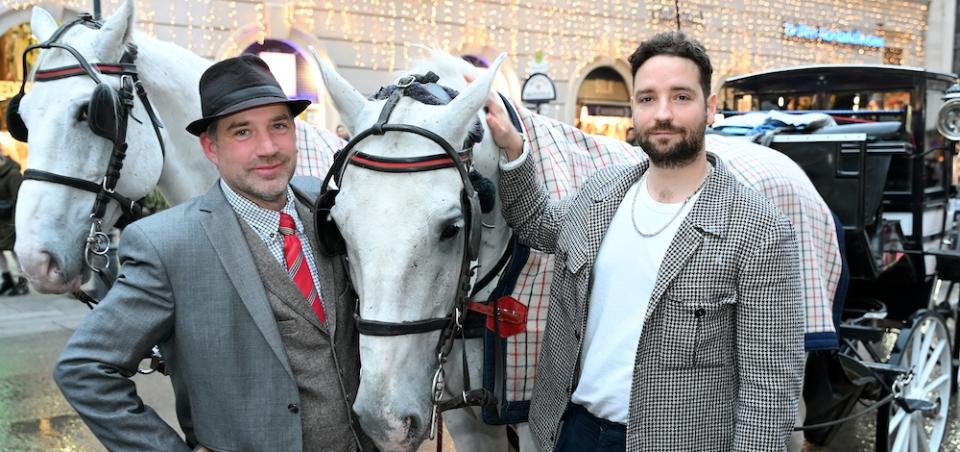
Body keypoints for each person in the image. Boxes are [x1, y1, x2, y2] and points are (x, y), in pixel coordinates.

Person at [485, 31, 804, 451]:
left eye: (682, 97)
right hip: (571, 432)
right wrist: (513, 146)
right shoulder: (600, 194)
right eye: (648, 98)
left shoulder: (760, 230)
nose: (663, 113)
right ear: (634, 109)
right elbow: (537, 222)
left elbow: (770, 390)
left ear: (710, 108)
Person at [54, 54, 370, 451]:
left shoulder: (333, 206)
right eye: (242, 132)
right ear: (211, 147)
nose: (268, 148)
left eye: (279, 126)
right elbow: (84, 369)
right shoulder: (168, 244)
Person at [0, 149, 25, 295]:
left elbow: (19, 200)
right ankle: (7, 279)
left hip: (10, 219)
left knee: (16, 250)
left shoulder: (13, 174)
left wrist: (17, 223)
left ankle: (23, 282)